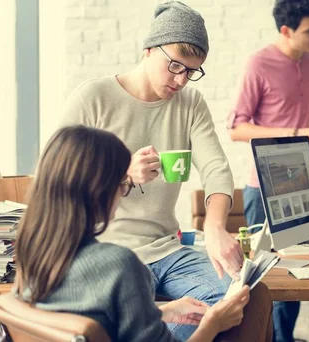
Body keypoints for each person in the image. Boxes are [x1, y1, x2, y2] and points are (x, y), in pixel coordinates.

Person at [60, 3, 242, 339]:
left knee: (235, 297)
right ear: (147, 50)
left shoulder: (191, 104)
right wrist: (123, 175)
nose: (181, 80)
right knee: (142, 318)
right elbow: (56, 178)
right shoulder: (94, 98)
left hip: (168, 248)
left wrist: (216, 228)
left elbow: (216, 168)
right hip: (109, 250)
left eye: (191, 71)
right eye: (174, 65)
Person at [13, 125, 273, 342]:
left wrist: (160, 311)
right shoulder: (119, 265)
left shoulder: (31, 253)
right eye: (123, 184)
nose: (123, 193)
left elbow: (89, 314)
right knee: (253, 298)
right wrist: (213, 324)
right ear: (100, 191)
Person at [227, 1, 309, 341]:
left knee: (299, 274)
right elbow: (237, 128)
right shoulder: (258, 63)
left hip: (305, 191)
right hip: (263, 187)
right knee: (265, 279)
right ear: (285, 31)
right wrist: (294, 134)